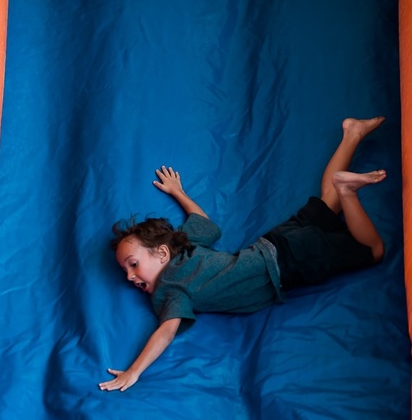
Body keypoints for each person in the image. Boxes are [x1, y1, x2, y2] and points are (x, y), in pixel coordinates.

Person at [99, 116, 386, 392]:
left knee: (373, 252)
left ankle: (348, 191)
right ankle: (352, 133)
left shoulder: (171, 289)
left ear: (162, 253)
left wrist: (134, 370)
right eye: (126, 271)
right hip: (275, 241)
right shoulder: (186, 247)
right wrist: (179, 192)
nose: (130, 277)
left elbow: (166, 332)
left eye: (133, 264)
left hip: (290, 262)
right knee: (328, 203)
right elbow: (205, 223)